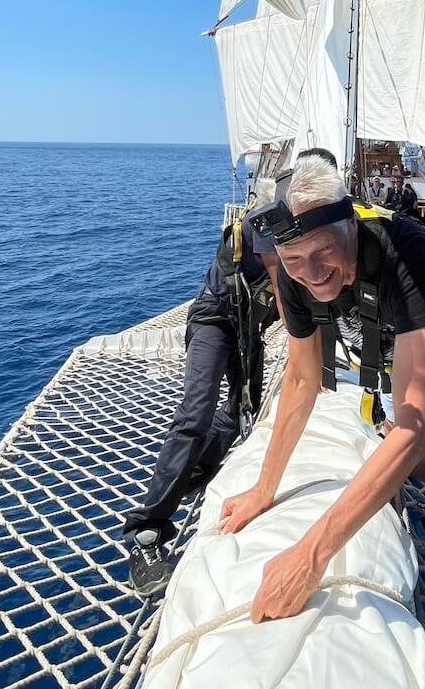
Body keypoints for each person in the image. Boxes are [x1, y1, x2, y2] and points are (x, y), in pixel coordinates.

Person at [224, 155, 425, 689]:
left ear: (351, 224)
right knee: (406, 453)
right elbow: (302, 380)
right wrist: (264, 490)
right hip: (414, 331)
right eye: (293, 260)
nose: (311, 275)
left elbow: (415, 421)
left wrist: (312, 556)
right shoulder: (294, 270)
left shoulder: (409, 254)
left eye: (324, 252)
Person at [123, 201, 282, 596]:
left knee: (242, 410)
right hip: (215, 319)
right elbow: (281, 286)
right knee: (196, 413)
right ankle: (147, 529)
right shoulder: (264, 224)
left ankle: (198, 471)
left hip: (249, 330)